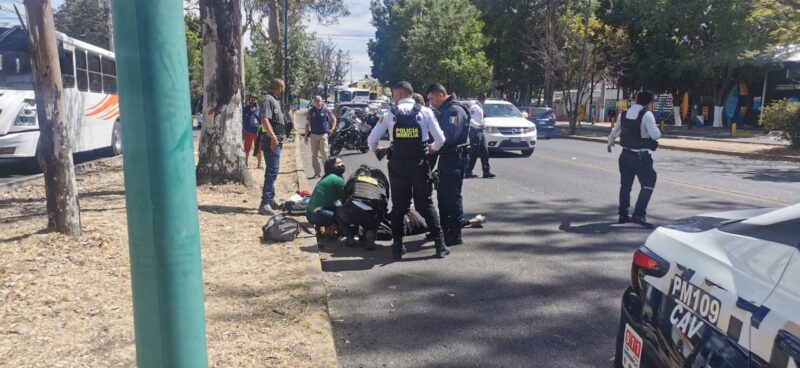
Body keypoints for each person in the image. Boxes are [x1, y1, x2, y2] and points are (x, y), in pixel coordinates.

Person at [368, 81, 449, 259]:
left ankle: (397, 247)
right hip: (420, 164)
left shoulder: (390, 114)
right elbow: (441, 139)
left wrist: (377, 151)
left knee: (399, 207)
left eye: (393, 94)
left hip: (397, 166)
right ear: (411, 94)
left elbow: (371, 140)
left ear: (398, 94)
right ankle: (440, 245)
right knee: (426, 205)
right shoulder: (426, 112)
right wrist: (432, 148)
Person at [607, 90, 661, 229]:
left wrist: (610, 142)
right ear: (649, 103)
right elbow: (656, 136)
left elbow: (615, 131)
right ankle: (638, 214)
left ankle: (622, 215)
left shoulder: (623, 114)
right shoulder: (647, 115)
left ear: (636, 99)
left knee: (625, 186)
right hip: (640, 157)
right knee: (648, 183)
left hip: (624, 156)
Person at [426, 83, 470, 246]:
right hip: (446, 157)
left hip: (455, 158)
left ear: (440, 94)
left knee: (452, 196)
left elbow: (449, 137)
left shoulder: (454, 111)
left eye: (431, 98)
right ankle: (443, 231)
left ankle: (455, 234)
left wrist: (434, 146)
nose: (431, 102)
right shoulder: (444, 110)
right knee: (443, 196)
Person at [259, 79, 287, 216]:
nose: (284, 90)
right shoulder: (267, 100)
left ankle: (270, 200)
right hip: (272, 142)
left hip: (277, 142)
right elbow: (264, 119)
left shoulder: (275, 100)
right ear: (279, 87)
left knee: (272, 170)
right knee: (272, 171)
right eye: (283, 88)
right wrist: (273, 137)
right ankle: (264, 203)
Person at [307, 157, 346, 233]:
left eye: (342, 162)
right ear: (332, 166)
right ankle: (344, 233)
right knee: (345, 213)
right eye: (338, 163)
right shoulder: (338, 180)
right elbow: (345, 199)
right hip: (318, 216)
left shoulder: (326, 177)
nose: (342, 164)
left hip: (309, 214)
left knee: (335, 206)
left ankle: (320, 227)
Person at [305, 96, 337, 179]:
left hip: (323, 135)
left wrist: (332, 128)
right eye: (315, 101)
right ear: (313, 102)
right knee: (314, 155)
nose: (317, 103)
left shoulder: (326, 110)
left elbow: (334, 119)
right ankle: (317, 173)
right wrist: (305, 136)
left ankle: (327, 173)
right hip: (313, 135)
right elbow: (307, 124)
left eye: (319, 101)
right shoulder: (311, 111)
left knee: (324, 155)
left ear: (322, 102)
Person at [465, 92, 494, 179]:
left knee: (485, 151)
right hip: (475, 132)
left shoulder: (479, 107)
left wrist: (482, 124)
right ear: (483, 99)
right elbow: (470, 120)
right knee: (474, 152)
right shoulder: (475, 107)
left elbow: (480, 119)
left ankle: (486, 171)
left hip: (481, 131)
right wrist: (478, 125)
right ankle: (468, 171)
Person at [243, 93, 263, 168]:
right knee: (247, 149)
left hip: (257, 133)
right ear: (249, 99)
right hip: (248, 132)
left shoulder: (259, 109)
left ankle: (259, 165)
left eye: (254, 98)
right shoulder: (245, 109)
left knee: (258, 149)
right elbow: (242, 120)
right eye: (251, 98)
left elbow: (262, 120)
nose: (253, 100)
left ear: (256, 100)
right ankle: (245, 164)